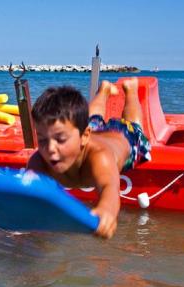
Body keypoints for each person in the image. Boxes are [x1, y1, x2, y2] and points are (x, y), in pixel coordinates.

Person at [27, 78, 151, 239]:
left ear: (84, 137)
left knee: (133, 124)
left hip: (124, 138)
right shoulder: (39, 162)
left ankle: (131, 90)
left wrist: (106, 210)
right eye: (42, 139)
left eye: (60, 139)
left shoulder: (100, 157)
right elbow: (23, 192)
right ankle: (104, 90)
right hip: (93, 131)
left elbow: (110, 188)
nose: (50, 148)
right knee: (92, 120)